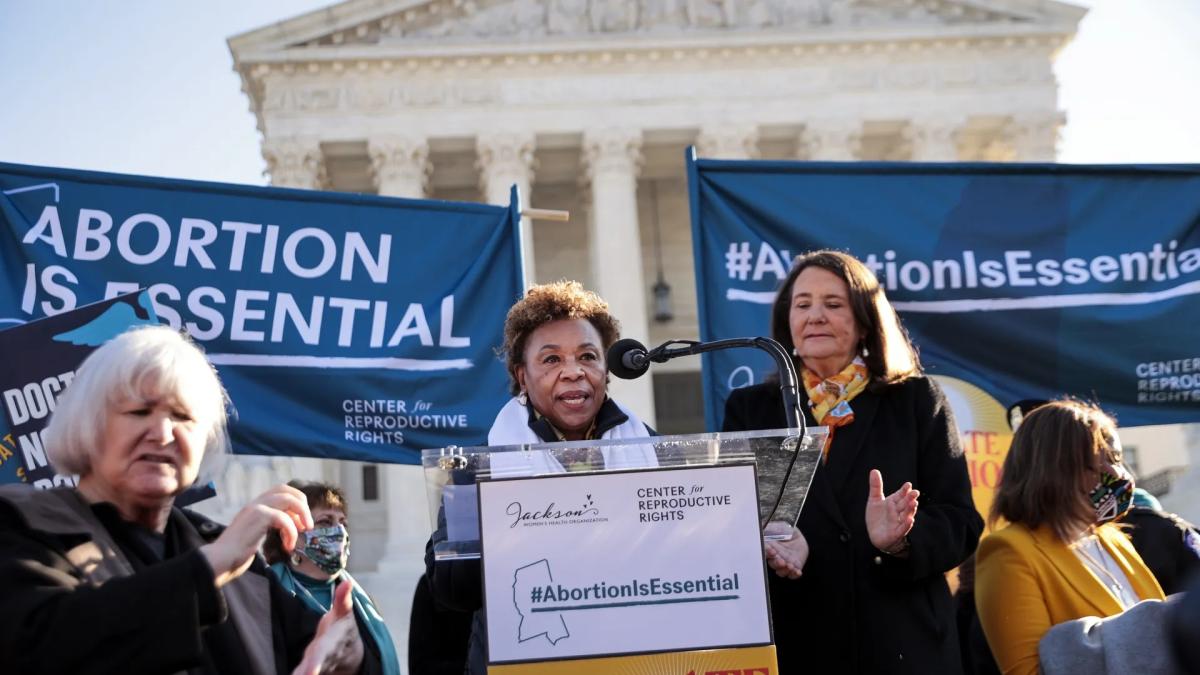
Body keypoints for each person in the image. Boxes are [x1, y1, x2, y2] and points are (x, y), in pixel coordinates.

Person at [0, 325, 378, 675]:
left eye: (183, 417)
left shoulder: (238, 562)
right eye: (139, 411)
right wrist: (210, 567)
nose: (163, 433)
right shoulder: (23, 524)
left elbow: (320, 647)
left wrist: (349, 653)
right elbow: (43, 645)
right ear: (88, 425)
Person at [722, 250, 983, 674]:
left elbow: (962, 522)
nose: (815, 316)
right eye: (802, 304)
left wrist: (901, 540)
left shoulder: (916, 400)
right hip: (801, 641)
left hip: (903, 645)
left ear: (864, 320)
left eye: (834, 304)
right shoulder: (752, 411)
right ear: (787, 322)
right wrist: (772, 545)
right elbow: (730, 525)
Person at [424, 280, 657, 674]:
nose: (573, 372)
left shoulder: (651, 448)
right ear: (523, 376)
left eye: (587, 356)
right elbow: (451, 587)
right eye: (551, 360)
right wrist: (504, 527)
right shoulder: (483, 468)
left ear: (606, 369)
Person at [975, 399, 1166, 675]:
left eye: (1118, 459)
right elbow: (1026, 670)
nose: (1119, 474)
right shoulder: (1008, 551)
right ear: (1058, 465)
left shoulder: (1114, 539)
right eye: (1106, 459)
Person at [264, 481, 400, 675]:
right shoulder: (267, 593)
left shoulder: (359, 601)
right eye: (325, 522)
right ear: (290, 536)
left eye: (343, 523)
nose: (340, 532)